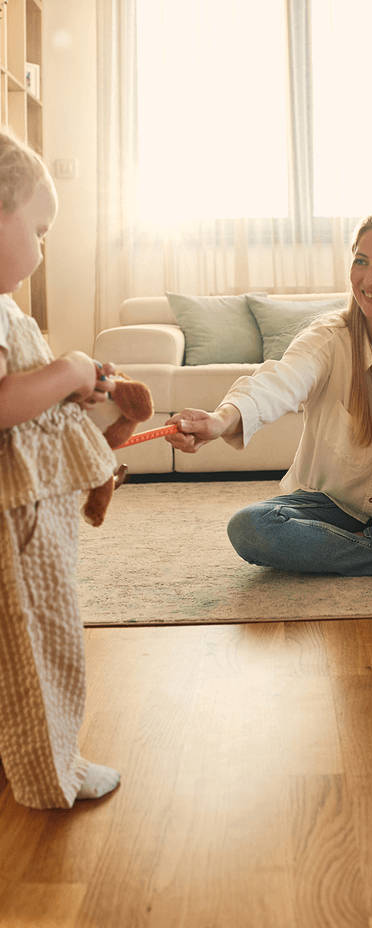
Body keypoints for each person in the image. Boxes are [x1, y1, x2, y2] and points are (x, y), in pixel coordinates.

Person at [166, 212, 372, 591]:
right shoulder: (329, 336)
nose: (369, 278)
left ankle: (350, 550)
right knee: (252, 528)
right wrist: (222, 419)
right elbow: (279, 382)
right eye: (361, 261)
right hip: (328, 506)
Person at [0, 128, 121, 809]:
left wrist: (69, 386)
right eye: (39, 230)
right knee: (38, 636)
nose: (43, 250)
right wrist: (71, 368)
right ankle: (54, 772)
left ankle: (12, 753)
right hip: (16, 518)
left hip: (24, 502)